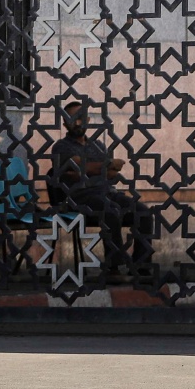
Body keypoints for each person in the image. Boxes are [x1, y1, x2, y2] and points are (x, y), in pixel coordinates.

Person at [47, 100, 155, 279]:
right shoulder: (61, 147)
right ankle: (114, 268)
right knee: (110, 210)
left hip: (107, 192)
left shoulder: (98, 145)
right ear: (65, 123)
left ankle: (141, 267)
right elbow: (76, 168)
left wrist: (91, 168)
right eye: (72, 118)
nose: (78, 122)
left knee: (142, 212)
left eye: (81, 118)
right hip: (79, 198)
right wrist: (104, 165)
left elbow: (110, 173)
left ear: (88, 120)